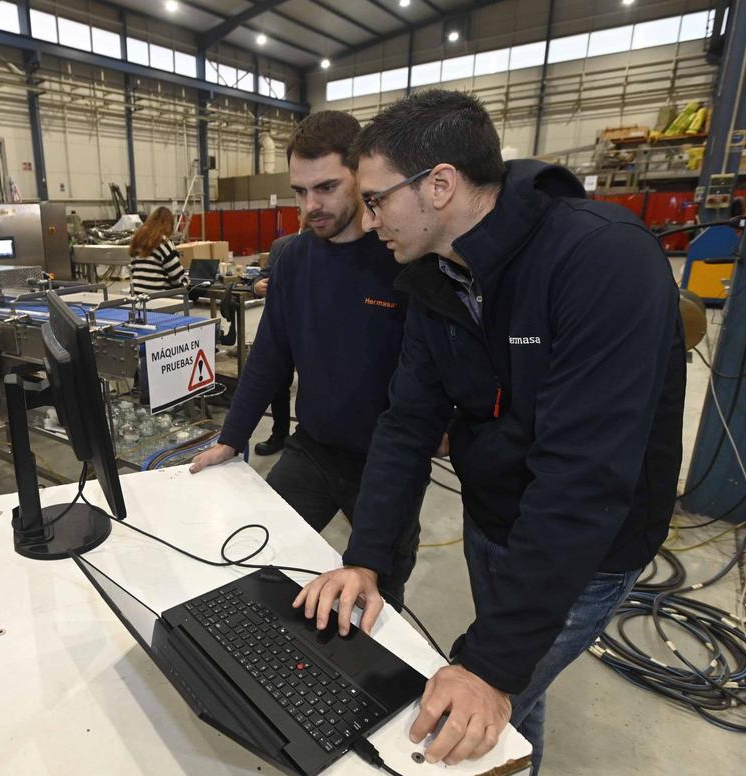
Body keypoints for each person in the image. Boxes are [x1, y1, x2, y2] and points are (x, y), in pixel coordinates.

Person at [293, 90, 686, 774]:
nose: (370, 216)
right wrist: (368, 560)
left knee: (475, 711)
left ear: (440, 185)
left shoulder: (600, 259)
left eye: (378, 198)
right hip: (495, 519)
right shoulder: (433, 274)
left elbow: (582, 480)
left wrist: (488, 664)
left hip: (591, 547)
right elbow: (407, 423)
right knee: (509, 707)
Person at [190, 111, 424, 606]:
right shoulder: (293, 258)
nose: (310, 206)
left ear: (362, 175)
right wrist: (232, 437)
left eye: (326, 188)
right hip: (313, 447)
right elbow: (271, 353)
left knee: (378, 598)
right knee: (261, 559)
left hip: (386, 463)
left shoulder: (402, 258)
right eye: (299, 191)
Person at [250, 232, 295, 456]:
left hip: (319, 329)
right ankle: (280, 434)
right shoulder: (281, 245)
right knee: (279, 385)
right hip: (284, 328)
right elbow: (261, 277)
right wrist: (257, 285)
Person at [128, 206, 187, 294]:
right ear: (169, 224)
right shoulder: (163, 242)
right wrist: (186, 282)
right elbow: (176, 276)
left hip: (136, 296)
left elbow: (133, 269)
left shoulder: (138, 239)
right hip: (156, 297)